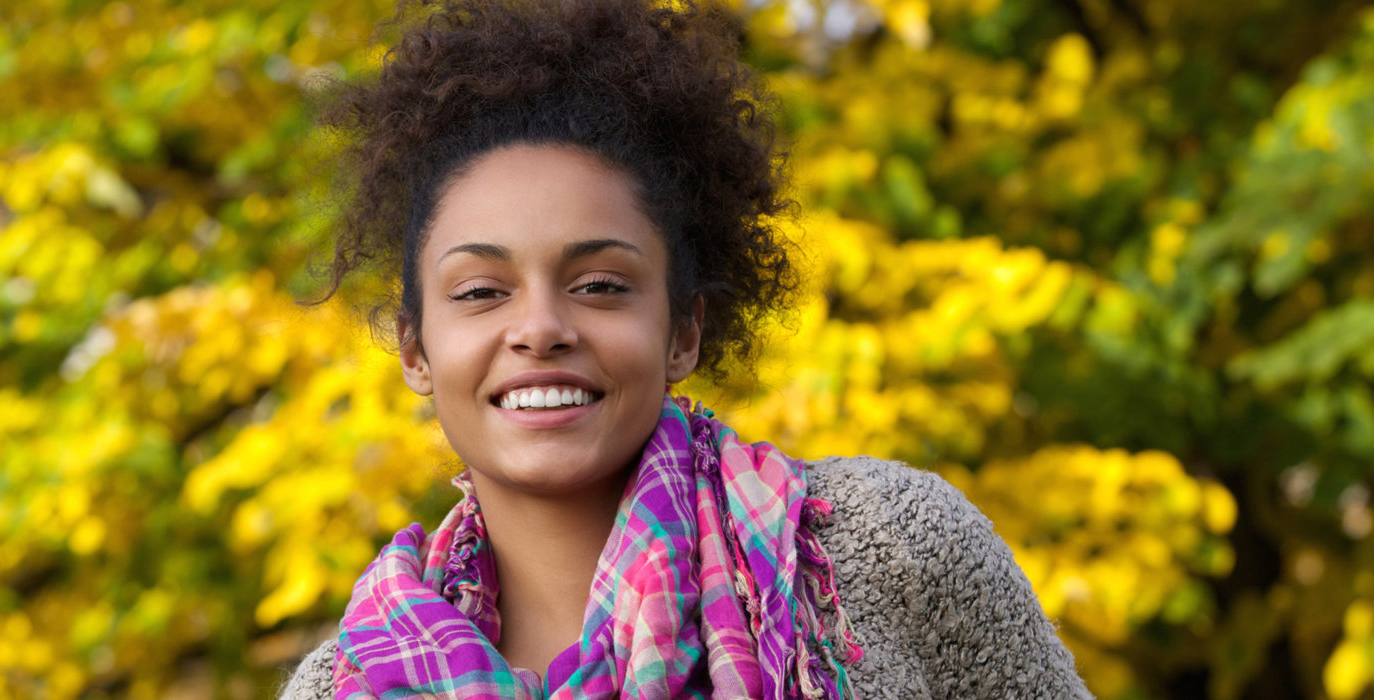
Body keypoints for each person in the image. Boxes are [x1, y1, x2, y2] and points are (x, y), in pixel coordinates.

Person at [283, 0, 1090, 697]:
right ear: (415, 349)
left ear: (684, 329)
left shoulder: (891, 548)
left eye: (599, 284)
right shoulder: (345, 681)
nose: (540, 328)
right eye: (480, 292)